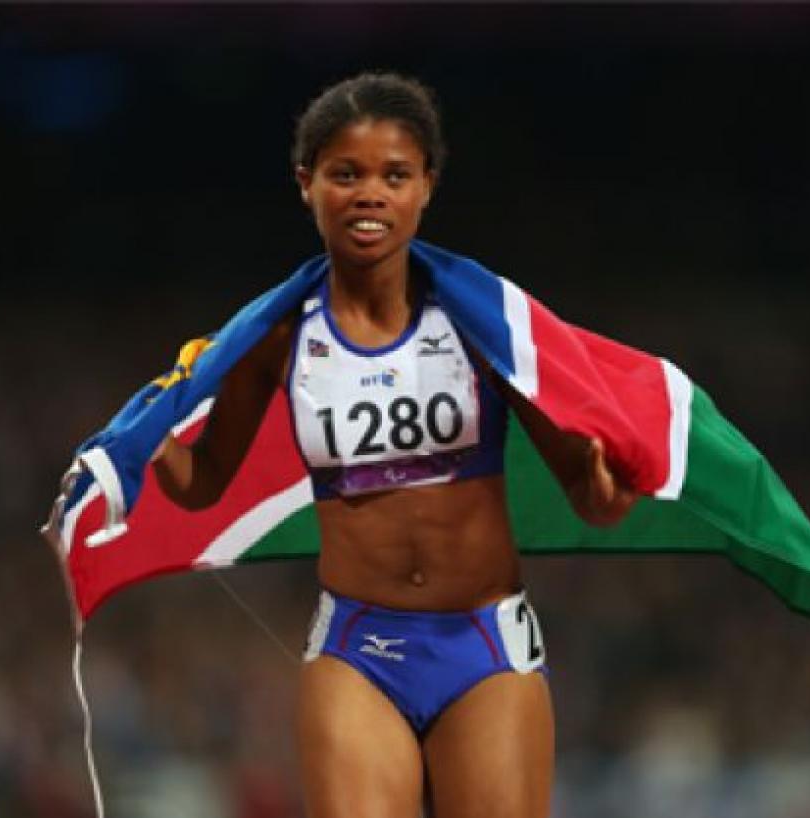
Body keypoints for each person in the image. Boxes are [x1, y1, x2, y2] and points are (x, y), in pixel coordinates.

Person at [150, 72, 637, 818]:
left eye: (394, 175)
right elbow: (204, 481)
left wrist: (602, 493)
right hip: (356, 646)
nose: (370, 194)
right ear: (306, 184)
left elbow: (583, 484)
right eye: (346, 174)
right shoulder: (278, 335)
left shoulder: (484, 322)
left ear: (426, 187)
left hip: (485, 645)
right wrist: (153, 449)